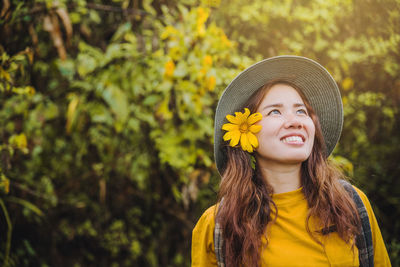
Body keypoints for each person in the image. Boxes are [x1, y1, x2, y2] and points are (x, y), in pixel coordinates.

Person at [191, 56, 391, 267]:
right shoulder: (218, 225)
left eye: (301, 111)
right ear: (247, 133)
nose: (295, 121)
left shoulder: (350, 203)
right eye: (275, 111)